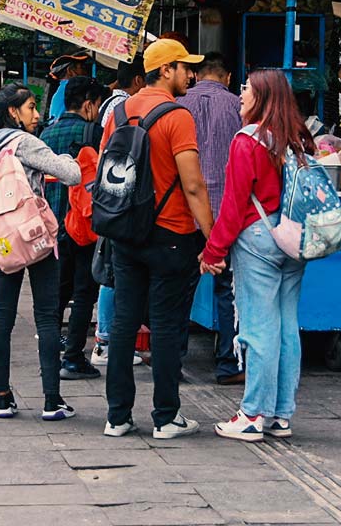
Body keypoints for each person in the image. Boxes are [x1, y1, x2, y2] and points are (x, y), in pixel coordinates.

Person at [100, 38, 214, 440]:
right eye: (185, 67)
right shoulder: (177, 116)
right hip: (171, 234)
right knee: (166, 327)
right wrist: (213, 237)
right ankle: (166, 417)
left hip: (127, 233)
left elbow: (107, 169)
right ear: (166, 70)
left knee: (124, 323)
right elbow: (194, 185)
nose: (191, 75)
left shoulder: (119, 112)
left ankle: (117, 416)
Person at [199, 71, 315, 441]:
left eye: (246, 89)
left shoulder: (247, 141)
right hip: (294, 238)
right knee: (286, 325)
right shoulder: (297, 139)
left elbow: (233, 205)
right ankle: (281, 414)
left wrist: (214, 250)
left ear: (261, 96)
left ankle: (252, 414)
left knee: (259, 328)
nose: (241, 96)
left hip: (259, 239)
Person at [0, 84, 81, 421]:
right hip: (35, 240)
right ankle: (51, 401)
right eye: (31, 108)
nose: (36, 115)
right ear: (13, 113)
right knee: (47, 317)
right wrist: (62, 158)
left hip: (1, 243)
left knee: (3, 315)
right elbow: (72, 174)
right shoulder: (25, 143)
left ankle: (2, 398)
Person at [179, 52, 243, 385]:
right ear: (227, 76)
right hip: (225, 212)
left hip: (185, 212)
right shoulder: (237, 106)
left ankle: (173, 360)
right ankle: (227, 364)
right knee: (226, 288)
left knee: (181, 287)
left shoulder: (178, 104)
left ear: (196, 74)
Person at [40, 76, 106, 380]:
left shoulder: (46, 133)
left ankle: (50, 349)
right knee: (83, 293)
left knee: (57, 291)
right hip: (82, 225)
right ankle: (74, 357)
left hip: (52, 225)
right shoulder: (92, 131)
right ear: (89, 104)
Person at [91, 57, 147, 369]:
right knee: (113, 275)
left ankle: (106, 339)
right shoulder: (125, 108)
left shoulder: (109, 106)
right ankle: (105, 341)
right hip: (122, 199)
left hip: (111, 198)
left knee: (110, 273)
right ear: (138, 80)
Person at [46, 54, 90, 123]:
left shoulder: (61, 90)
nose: (86, 72)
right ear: (70, 71)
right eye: (82, 67)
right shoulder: (73, 88)